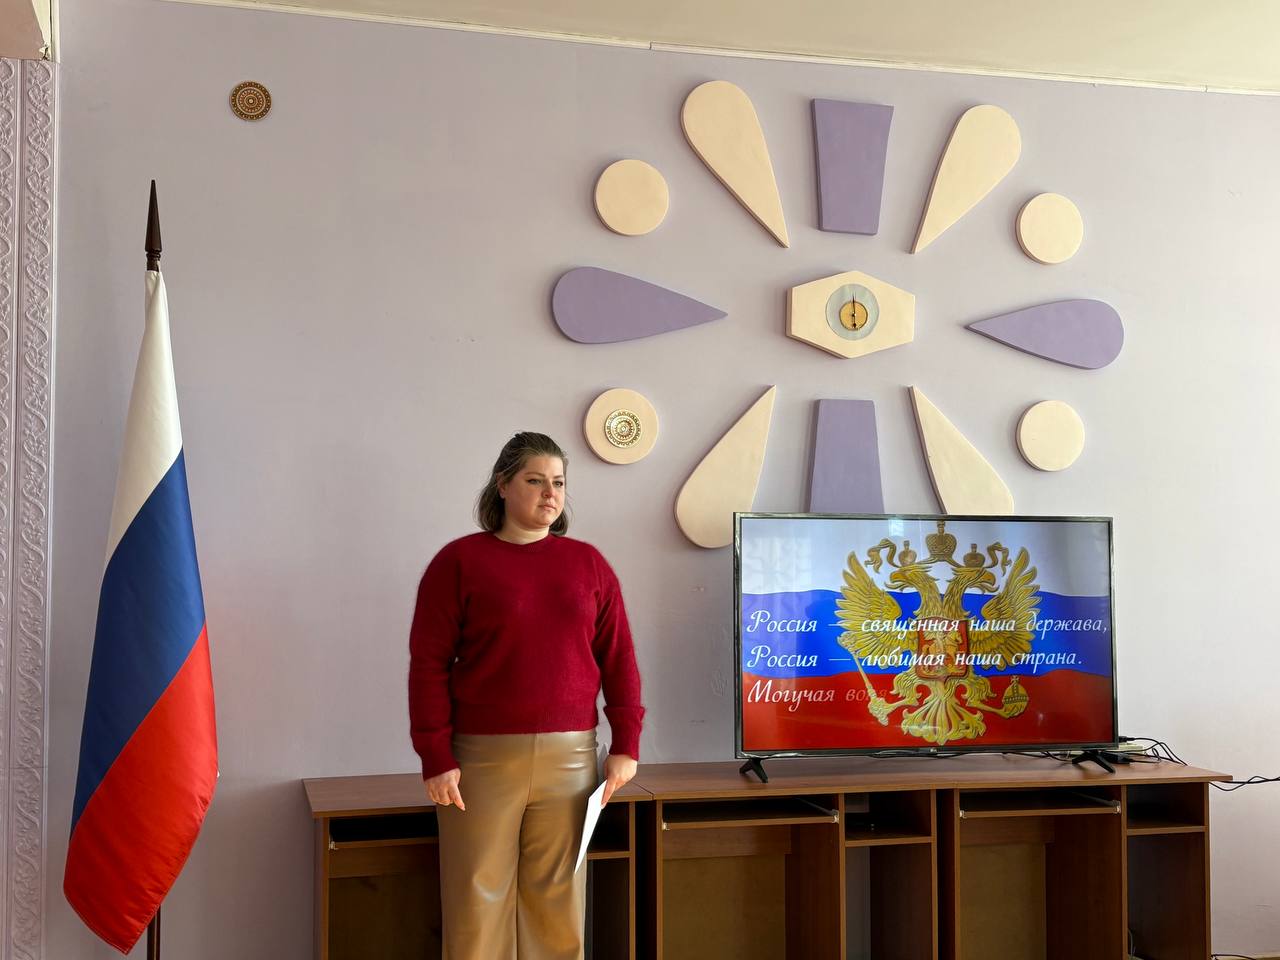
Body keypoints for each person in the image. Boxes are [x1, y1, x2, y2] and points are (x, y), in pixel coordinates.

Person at [408, 431, 644, 960]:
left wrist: (626, 744)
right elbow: (427, 667)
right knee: (476, 900)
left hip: (572, 757)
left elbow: (619, 657)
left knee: (557, 904)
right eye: (535, 481)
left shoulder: (589, 564)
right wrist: (435, 756)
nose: (550, 493)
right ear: (503, 485)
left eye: (558, 482)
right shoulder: (458, 562)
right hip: (479, 761)